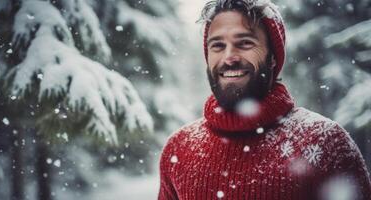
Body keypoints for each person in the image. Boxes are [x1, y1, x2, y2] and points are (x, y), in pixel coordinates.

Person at [157, 0, 371, 199]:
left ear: (272, 58)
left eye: (245, 43)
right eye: (218, 46)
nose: (229, 57)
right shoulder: (180, 147)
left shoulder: (325, 143)